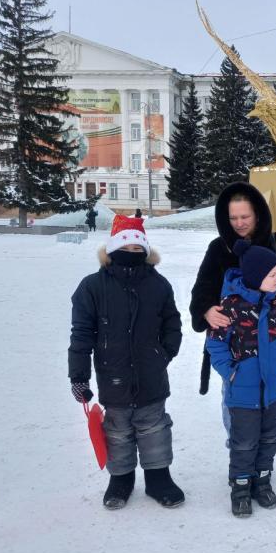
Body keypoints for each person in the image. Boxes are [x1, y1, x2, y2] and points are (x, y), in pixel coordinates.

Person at [68, 215, 184, 510]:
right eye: (125, 247)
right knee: (117, 431)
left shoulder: (158, 285)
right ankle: (121, 478)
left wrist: (164, 354)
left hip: (151, 375)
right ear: (111, 250)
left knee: (154, 427)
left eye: (137, 249)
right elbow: (81, 333)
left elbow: (172, 322)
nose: (131, 254)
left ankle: (159, 477)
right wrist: (78, 376)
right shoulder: (92, 286)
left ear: (145, 252)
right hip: (113, 375)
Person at [190, 181, 276, 434]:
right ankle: (240, 461)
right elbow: (202, 289)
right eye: (233, 217)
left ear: (258, 214)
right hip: (236, 352)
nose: (239, 223)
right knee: (236, 413)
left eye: (245, 216)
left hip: (273, 348)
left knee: (270, 416)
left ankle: (261, 463)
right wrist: (206, 310)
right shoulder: (219, 249)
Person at [207, 240, 276, 517]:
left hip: (275, 388)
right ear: (256, 276)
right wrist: (231, 372)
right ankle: (240, 487)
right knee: (244, 441)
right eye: (273, 274)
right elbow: (215, 344)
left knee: (269, 438)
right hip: (243, 392)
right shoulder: (230, 307)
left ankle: (262, 481)